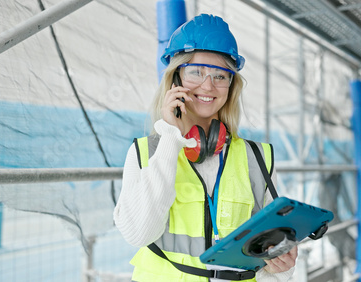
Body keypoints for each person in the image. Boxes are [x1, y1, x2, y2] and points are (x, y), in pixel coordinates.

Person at [114, 13, 297, 281]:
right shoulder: (146, 152)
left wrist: (280, 264)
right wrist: (170, 138)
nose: (208, 85)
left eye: (221, 75)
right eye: (196, 72)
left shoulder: (256, 157)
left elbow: (270, 254)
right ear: (175, 79)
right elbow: (138, 234)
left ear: (231, 86)